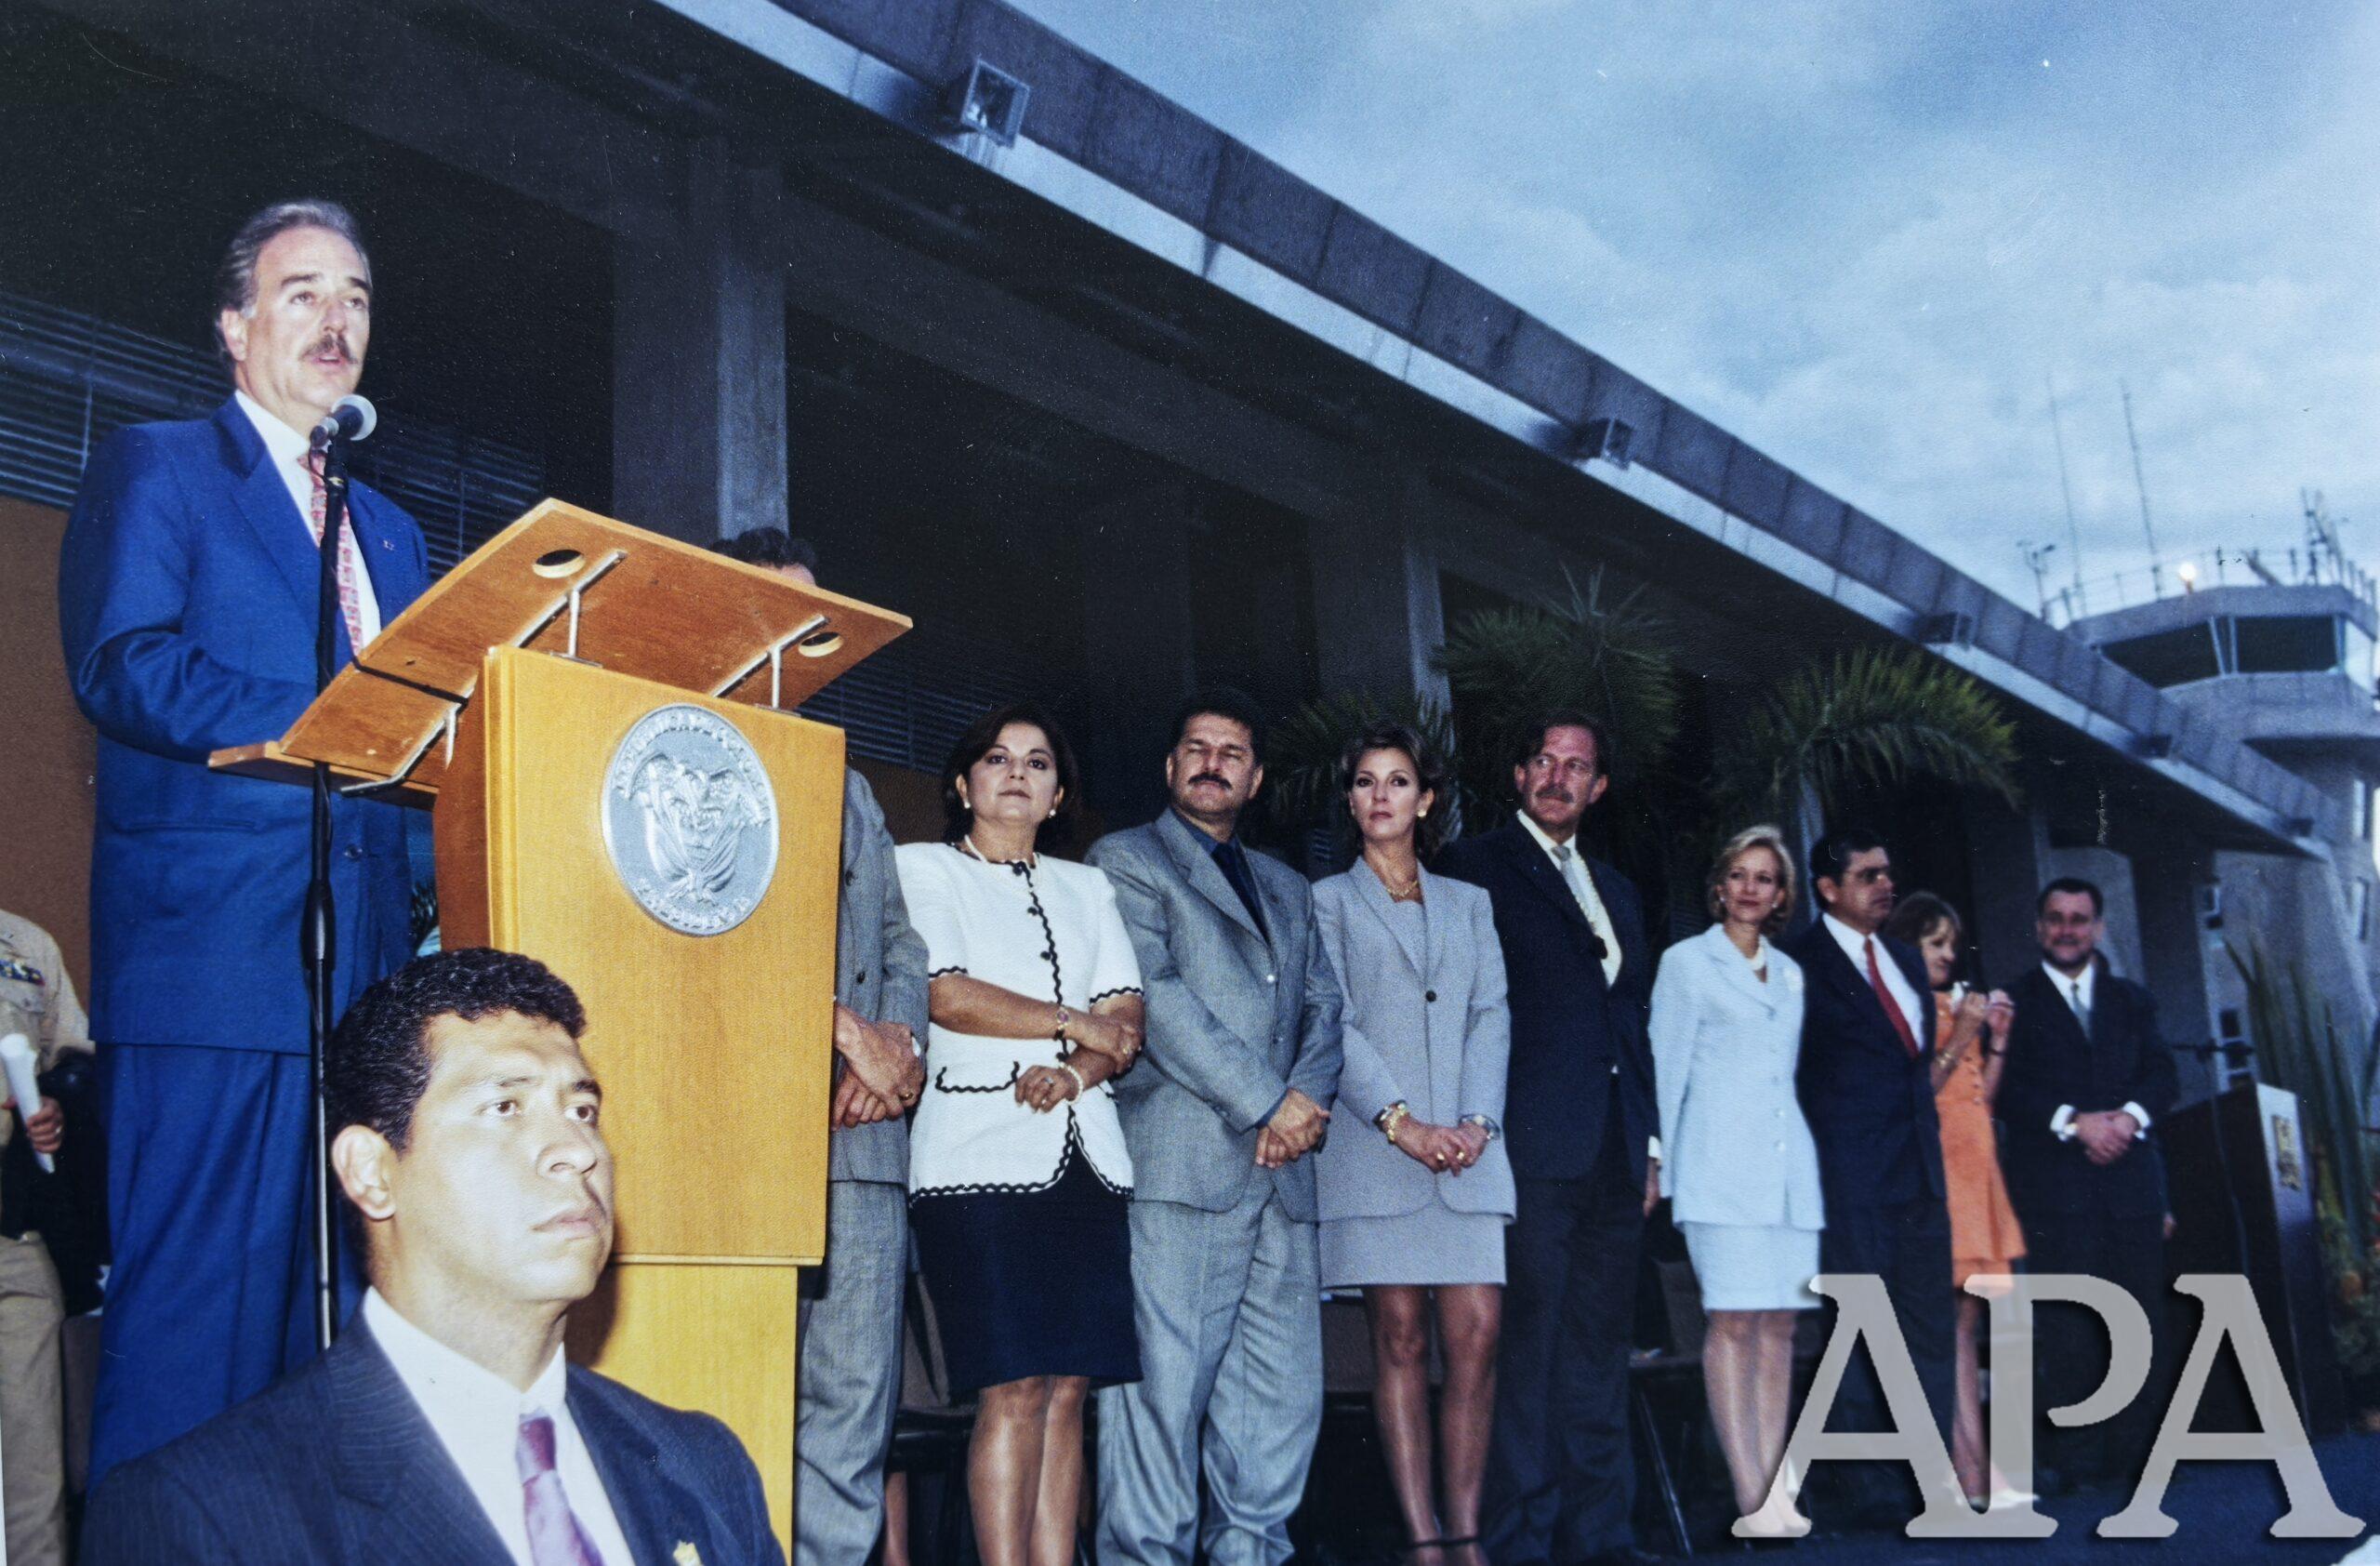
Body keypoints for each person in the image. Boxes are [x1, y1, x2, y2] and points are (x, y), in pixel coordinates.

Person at [59, 200, 431, 1481]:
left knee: (334, 1366)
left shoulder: (393, 532)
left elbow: (419, 751)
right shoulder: (160, 467)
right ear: (234, 325)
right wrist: (329, 717)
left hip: (366, 994)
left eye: (357, 297)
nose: (337, 321)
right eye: (302, 292)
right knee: (190, 1356)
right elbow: (123, 662)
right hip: (215, 974)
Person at [82, 947, 786, 1564]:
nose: (578, 1150)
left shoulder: (701, 1466)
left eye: (582, 1111)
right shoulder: (203, 1513)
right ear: (371, 1172)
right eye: (506, 1107)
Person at [711, 527, 930, 1566]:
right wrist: (843, 1033)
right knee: (741, 1396)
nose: (793, 636)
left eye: (812, 620)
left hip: (861, 1139)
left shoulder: (846, 775)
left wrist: (896, 1050)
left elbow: (899, 937)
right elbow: (714, 934)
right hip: (745, 1135)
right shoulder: (689, 747)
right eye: (769, 609)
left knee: (851, 1413)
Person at [1088, 687, 1344, 1566]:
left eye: (1232, 753)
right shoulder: (1126, 860)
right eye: (1197, 748)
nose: (1212, 764)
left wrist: (1298, 1108)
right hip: (1184, 1170)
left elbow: (1324, 1010)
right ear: (1170, 766)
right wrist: (1268, 1103)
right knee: (1161, 1402)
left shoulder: (1288, 886)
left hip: (1284, 1179)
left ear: (1256, 778)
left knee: (1277, 1407)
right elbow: (1155, 998)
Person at [898, 706, 1146, 1566]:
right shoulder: (922, 867)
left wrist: (1076, 1072)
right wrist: (1076, 1024)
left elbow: (1127, 1018)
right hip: (975, 1160)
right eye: (998, 759)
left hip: (1088, 1162)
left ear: (1058, 795)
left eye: (1038, 764)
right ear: (963, 784)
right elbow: (947, 993)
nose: (1017, 773)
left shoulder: (1089, 888)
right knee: (1012, 1385)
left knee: (1068, 1388)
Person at [1435, 712, 1658, 1566]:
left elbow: (1629, 1022)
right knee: (1525, 1350)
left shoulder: (1619, 889)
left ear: (1598, 788)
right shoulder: (1474, 868)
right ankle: (1521, 1541)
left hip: (1612, 1154)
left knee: (1598, 1348)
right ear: (1520, 776)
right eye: (1544, 761)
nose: (1558, 777)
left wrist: (1649, 1148)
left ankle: (1601, 1538)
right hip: (1526, 1150)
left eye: (1577, 766)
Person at [1309, 724, 1513, 1566]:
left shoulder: (1470, 903)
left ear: (1425, 800)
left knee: (1477, 1336)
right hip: (1376, 1152)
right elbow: (1335, 1022)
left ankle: (1466, 1530)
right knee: (1398, 1338)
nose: (1381, 796)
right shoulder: (1324, 902)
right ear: (1351, 800)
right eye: (1365, 782)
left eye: (1398, 781)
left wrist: (1476, 1122)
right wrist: (1402, 1123)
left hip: (1469, 1154)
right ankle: (1424, 1539)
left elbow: (1490, 1014)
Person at [1646, 826, 1821, 1540]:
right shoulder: (1687, 964)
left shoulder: (1792, 974)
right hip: (1717, 1172)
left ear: (1781, 896)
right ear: (1719, 886)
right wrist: (1656, 1162)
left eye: (1766, 878)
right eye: (1740, 875)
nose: (1752, 888)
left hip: (1789, 1176)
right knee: (1734, 1321)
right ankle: (1749, 1491)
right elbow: (1665, 1069)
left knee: (1779, 1324)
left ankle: (1775, 1488)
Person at [1781, 827, 1954, 1526]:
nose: (1886, 885)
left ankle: (1929, 1479)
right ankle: (1868, 1491)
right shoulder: (1799, 964)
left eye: (1887, 873)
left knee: (1928, 1330)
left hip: (1920, 1177)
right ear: (1828, 889)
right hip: (1848, 1180)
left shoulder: (1906, 961)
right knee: (1857, 1333)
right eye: (1867, 876)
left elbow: (1916, 1071)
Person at [1995, 878, 2175, 1493]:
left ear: (2098, 927)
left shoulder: (2133, 1001)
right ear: (2039, 927)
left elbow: (2163, 1074)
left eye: (2079, 919)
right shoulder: (2013, 1002)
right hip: (2055, 1195)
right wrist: (2073, 1122)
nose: (2067, 929)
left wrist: (2128, 1119)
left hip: (2130, 1189)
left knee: (2139, 1323)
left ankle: (2139, 1458)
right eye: (2056, 918)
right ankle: (2079, 1462)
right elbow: (2004, 1091)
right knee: (2069, 1328)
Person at [1879, 891, 2026, 1507]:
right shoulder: (1905, 1008)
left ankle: (1977, 1469)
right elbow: (1916, 1091)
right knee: (1943, 1327)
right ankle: (1964, 1471)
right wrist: (1963, 1030)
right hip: (1937, 1181)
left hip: (1976, 1178)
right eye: (1933, 942)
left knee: (1966, 1324)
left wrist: (1997, 1041)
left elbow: (1978, 1099)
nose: (1945, 954)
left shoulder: (1952, 1005)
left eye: (1950, 944)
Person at [0, 909, 87, 1566]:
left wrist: (55, 1105)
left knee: (37, 1482)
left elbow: (75, 1061)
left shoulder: (26, 945)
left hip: (16, 1236)